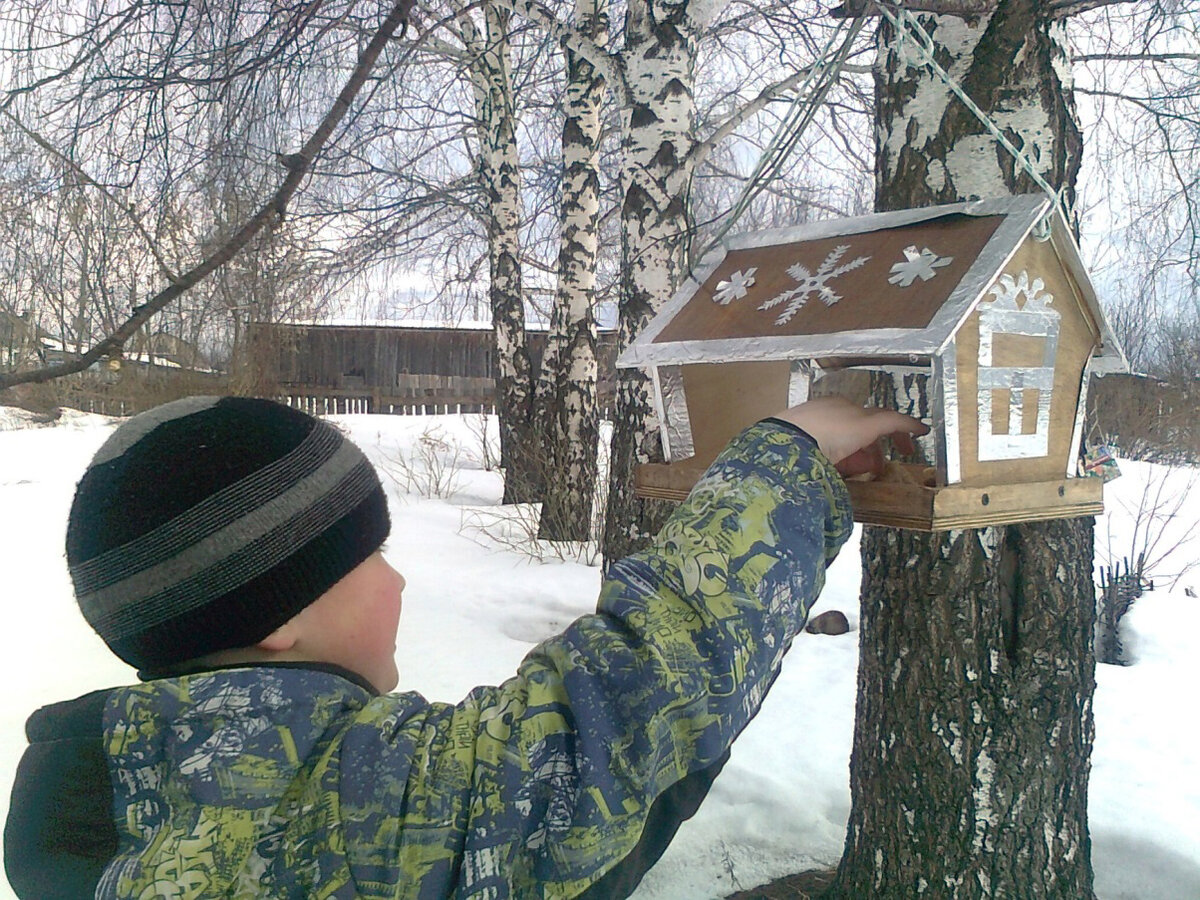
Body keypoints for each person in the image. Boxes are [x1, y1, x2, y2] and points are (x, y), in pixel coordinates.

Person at [4, 394, 925, 899]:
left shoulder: (112, 808)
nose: (398, 583)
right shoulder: (342, 816)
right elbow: (622, 706)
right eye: (367, 558)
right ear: (276, 619)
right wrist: (785, 462)